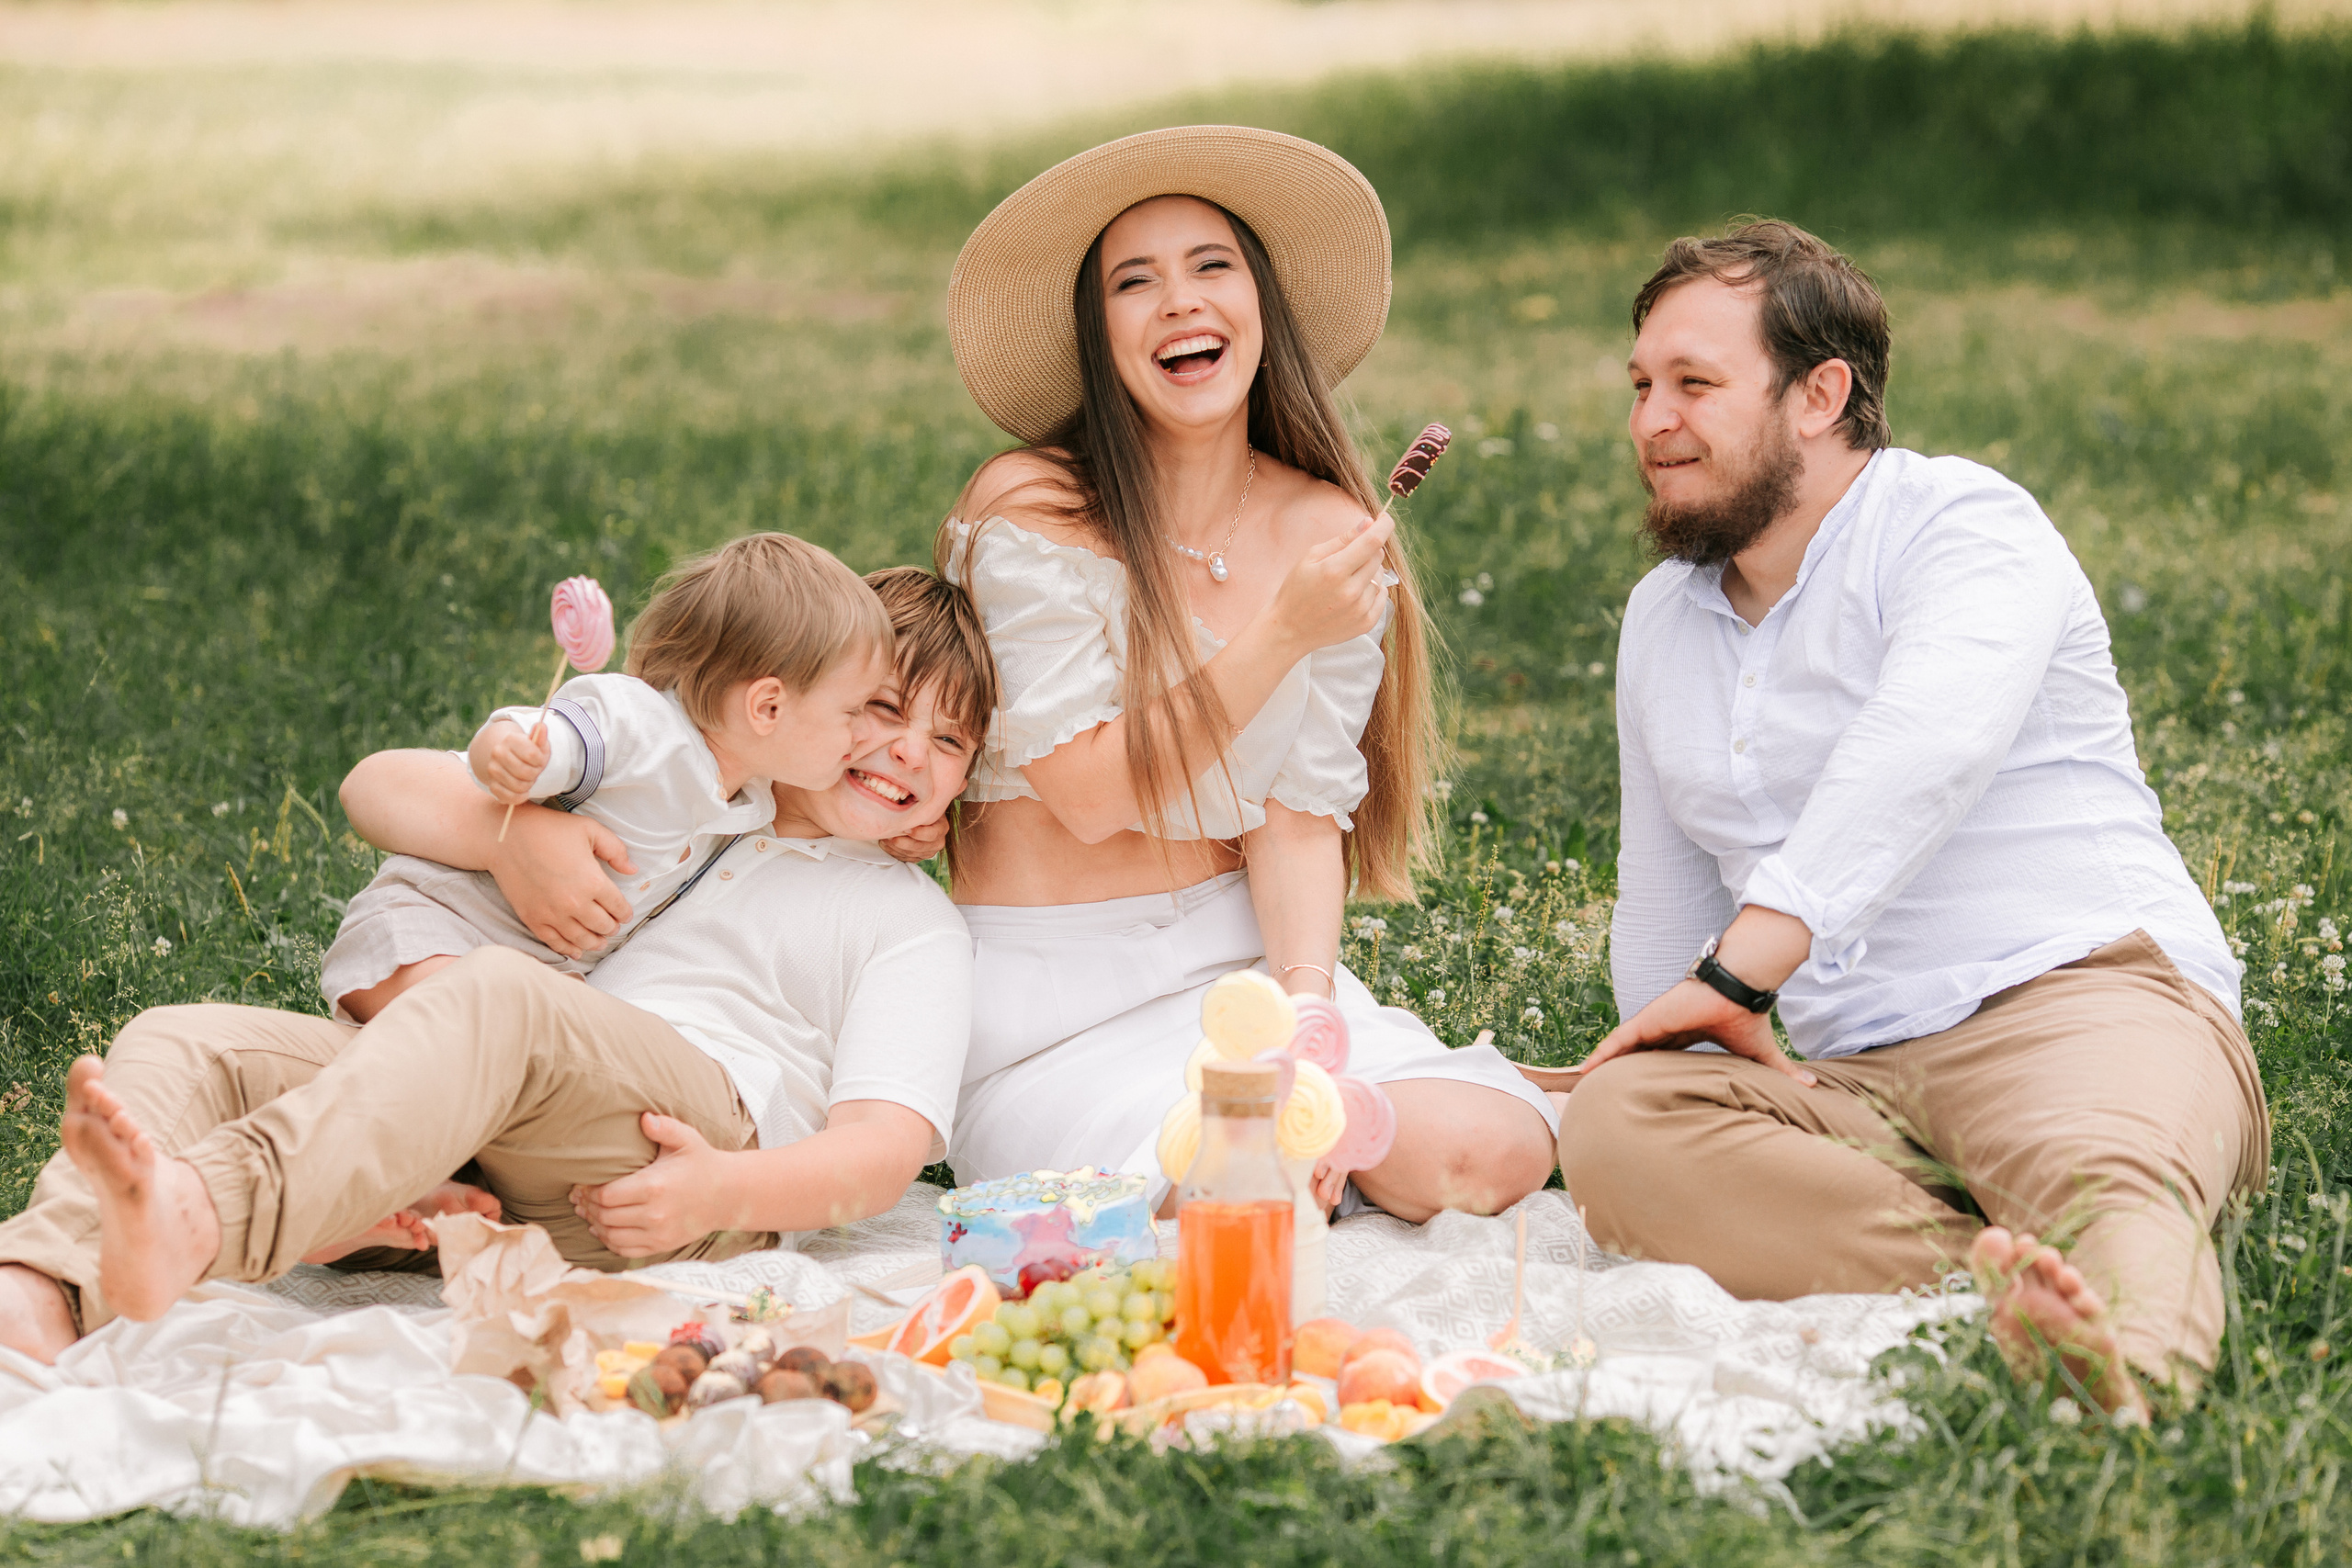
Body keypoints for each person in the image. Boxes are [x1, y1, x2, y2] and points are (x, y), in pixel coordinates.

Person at [1556, 220, 2266, 1416]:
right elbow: (1665, 896)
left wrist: (1742, 974)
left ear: (1819, 393)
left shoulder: (1964, 525)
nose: (1650, 422)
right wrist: (1659, 1046)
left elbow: (1925, 745)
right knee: (1620, 1124)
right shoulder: (1661, 618)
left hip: (2070, 997)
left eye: (1694, 385)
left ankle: (2125, 1374)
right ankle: (1985, 1280)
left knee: (2105, 1176)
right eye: (1641, 385)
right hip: (1847, 1071)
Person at [0, 568, 996, 1361]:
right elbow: (375, 787)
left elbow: (884, 1150)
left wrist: (725, 1195)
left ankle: (210, 1214)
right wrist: (508, 840)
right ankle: (43, 1286)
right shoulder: (687, 809)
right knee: (188, 1041)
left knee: (496, 998)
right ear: (790, 702)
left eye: (947, 740)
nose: (906, 751)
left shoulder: (907, 920)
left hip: (676, 1153)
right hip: (509, 1117)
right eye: (879, 707)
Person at [916, 126, 1557, 1219]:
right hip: (1049, 1008)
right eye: (1135, 282)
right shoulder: (1033, 508)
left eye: (1212, 266)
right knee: (1228, 1201)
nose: (1180, 302)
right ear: (1097, 333)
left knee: (1492, 1152)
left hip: (1239, 981)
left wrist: (1305, 1024)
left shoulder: (1327, 525)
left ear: (1259, 304)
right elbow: (1088, 795)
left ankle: (1331, 1133)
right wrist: (1279, 634)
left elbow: (1298, 816)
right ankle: (1267, 1166)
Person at [324, 531, 891, 1023]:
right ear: (767, 708)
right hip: (438, 931)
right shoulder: (642, 727)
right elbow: (549, 737)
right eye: (854, 712)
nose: (864, 735)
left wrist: (899, 832)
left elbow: (815, 822)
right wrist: (509, 754)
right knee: (478, 1025)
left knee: (558, 1044)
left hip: (537, 972)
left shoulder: (752, 793)